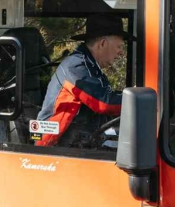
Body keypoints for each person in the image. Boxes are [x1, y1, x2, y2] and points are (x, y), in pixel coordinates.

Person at [33, 14, 128, 149]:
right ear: (102, 43)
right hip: (53, 146)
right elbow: (104, 103)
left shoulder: (90, 67)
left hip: (77, 141)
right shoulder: (76, 66)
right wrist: (137, 101)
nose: (121, 53)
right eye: (119, 47)